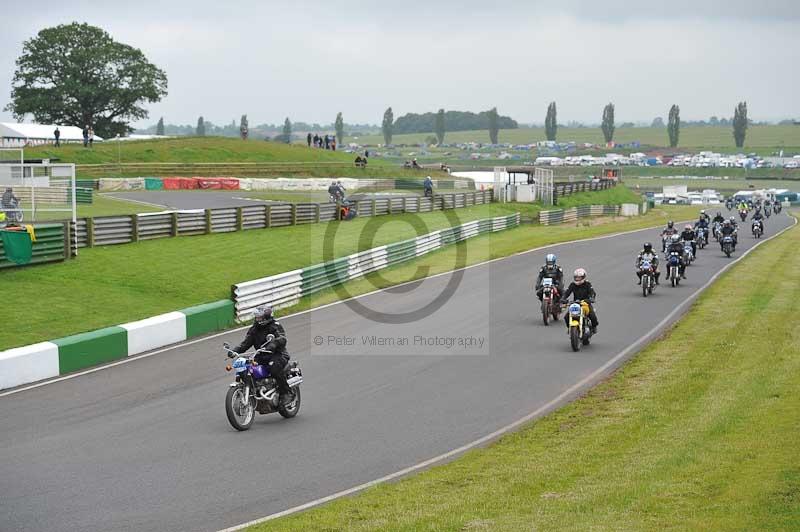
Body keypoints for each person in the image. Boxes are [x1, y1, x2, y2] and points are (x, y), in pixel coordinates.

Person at [232, 306, 292, 405]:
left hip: (278, 354)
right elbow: (245, 343)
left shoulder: (275, 326)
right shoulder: (254, 329)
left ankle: (286, 393)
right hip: (261, 355)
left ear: (266, 317)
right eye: (256, 317)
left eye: (259, 317)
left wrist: (273, 344)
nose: (257, 319)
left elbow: (282, 338)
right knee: (246, 366)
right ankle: (252, 390)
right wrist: (234, 351)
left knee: (274, 368)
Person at [561, 268, 598, 333]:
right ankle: (570, 329)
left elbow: (592, 292)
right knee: (566, 317)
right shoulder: (573, 285)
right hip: (575, 303)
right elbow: (567, 292)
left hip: (586, 303)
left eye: (579, 277)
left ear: (583, 277)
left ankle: (594, 327)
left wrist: (592, 298)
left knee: (592, 315)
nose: (577, 279)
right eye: (576, 277)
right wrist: (563, 298)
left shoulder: (587, 284)